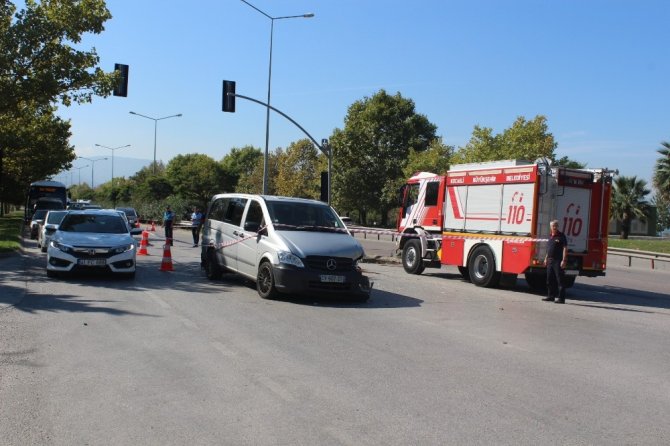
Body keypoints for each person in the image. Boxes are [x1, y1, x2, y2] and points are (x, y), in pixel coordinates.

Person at [543, 219, 568, 304]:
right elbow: (548, 249)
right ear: (550, 227)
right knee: (549, 279)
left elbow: (565, 248)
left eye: (556, 225)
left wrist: (564, 260)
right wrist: (546, 258)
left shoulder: (561, 236)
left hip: (558, 261)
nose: (555, 227)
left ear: (558, 226)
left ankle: (561, 298)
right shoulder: (550, 236)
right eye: (553, 226)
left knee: (560, 280)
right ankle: (551, 296)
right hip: (550, 260)